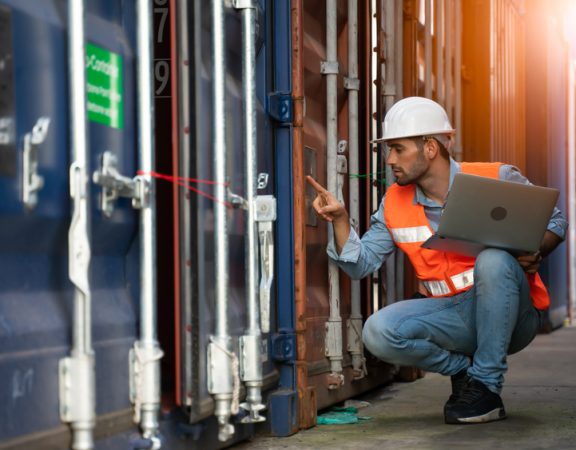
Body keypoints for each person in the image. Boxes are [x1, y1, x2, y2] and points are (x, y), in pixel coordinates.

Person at [307, 96, 567, 424]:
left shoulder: (496, 177)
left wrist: (536, 250)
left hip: (513, 317)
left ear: (430, 147)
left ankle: (487, 387)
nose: (390, 160)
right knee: (377, 331)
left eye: (398, 149)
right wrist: (341, 219)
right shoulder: (394, 203)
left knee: (494, 260)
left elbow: (556, 222)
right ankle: (465, 375)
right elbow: (361, 264)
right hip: (451, 318)